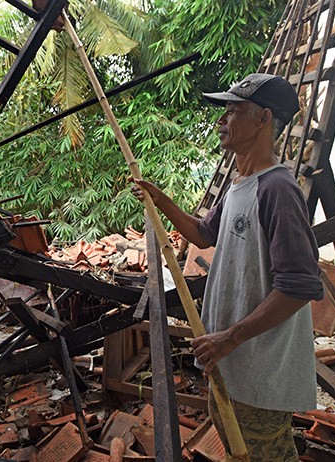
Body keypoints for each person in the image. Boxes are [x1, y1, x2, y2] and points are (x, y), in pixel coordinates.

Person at [132, 73, 324, 460]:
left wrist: (231, 337)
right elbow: (204, 234)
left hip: (259, 371)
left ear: (263, 119)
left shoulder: (278, 190)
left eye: (232, 111)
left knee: (261, 453)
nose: (221, 120)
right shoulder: (241, 183)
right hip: (231, 365)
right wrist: (160, 199)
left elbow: (299, 287)